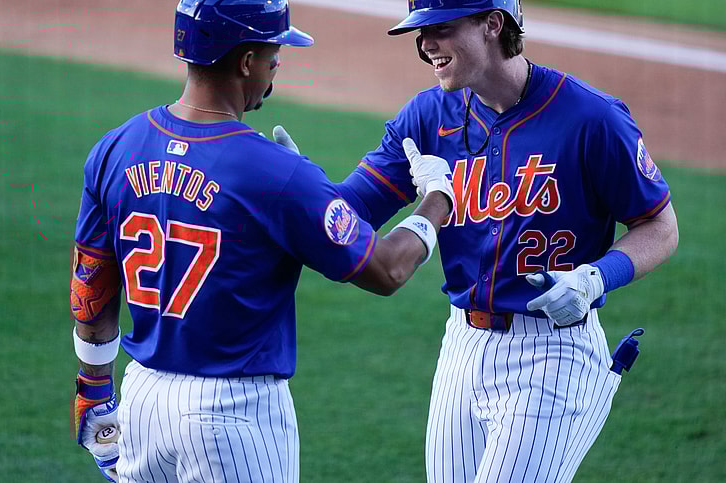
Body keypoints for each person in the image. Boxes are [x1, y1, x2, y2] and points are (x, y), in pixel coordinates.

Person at [274, 0, 679, 481]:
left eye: (441, 29)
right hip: (462, 347)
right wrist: (303, 193)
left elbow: (660, 226)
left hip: (555, 352)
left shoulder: (592, 119)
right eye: (421, 33)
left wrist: (595, 277)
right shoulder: (427, 117)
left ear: (493, 24)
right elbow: (354, 209)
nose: (426, 46)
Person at [68, 1, 455, 482]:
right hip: (234, 417)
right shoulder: (274, 171)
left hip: (143, 400)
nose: (277, 65)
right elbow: (388, 269)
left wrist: (92, 383)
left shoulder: (115, 147)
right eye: (274, 52)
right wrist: (438, 198)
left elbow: (92, 283)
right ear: (246, 60)